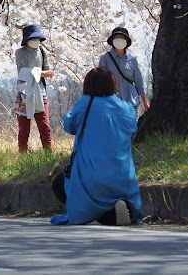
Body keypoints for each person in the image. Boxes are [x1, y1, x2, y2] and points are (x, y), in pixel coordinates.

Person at [51, 67, 143, 226]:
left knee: (59, 183)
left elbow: (69, 126)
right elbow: (133, 127)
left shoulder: (85, 104)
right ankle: (120, 205)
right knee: (114, 195)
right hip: (123, 179)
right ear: (113, 85)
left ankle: (104, 213)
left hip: (91, 179)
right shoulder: (127, 108)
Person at [13, 24, 54, 152]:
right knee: (24, 129)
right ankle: (23, 153)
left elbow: (49, 72)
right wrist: (40, 73)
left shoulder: (42, 52)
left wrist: (39, 73)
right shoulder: (20, 52)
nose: (37, 41)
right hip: (25, 93)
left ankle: (48, 153)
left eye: (38, 38)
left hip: (41, 93)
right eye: (34, 38)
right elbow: (22, 71)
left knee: (44, 126)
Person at [99, 26, 150, 117]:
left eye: (122, 38)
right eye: (117, 37)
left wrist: (145, 102)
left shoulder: (132, 59)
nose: (119, 40)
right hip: (112, 102)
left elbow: (139, 81)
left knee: (132, 127)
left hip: (131, 101)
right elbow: (101, 81)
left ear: (126, 41)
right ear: (112, 40)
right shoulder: (105, 58)